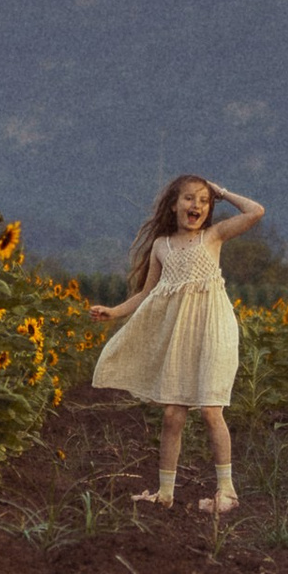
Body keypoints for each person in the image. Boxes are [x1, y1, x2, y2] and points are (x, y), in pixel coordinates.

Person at [87, 173, 265, 512]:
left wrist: (222, 191)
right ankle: (165, 494)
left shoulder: (213, 236)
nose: (196, 205)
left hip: (214, 329)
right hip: (180, 335)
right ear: (173, 205)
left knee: (212, 410)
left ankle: (227, 493)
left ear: (210, 207)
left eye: (203, 200)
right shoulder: (161, 247)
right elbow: (145, 294)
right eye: (188, 198)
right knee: (172, 414)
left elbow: (256, 211)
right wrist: (113, 312)